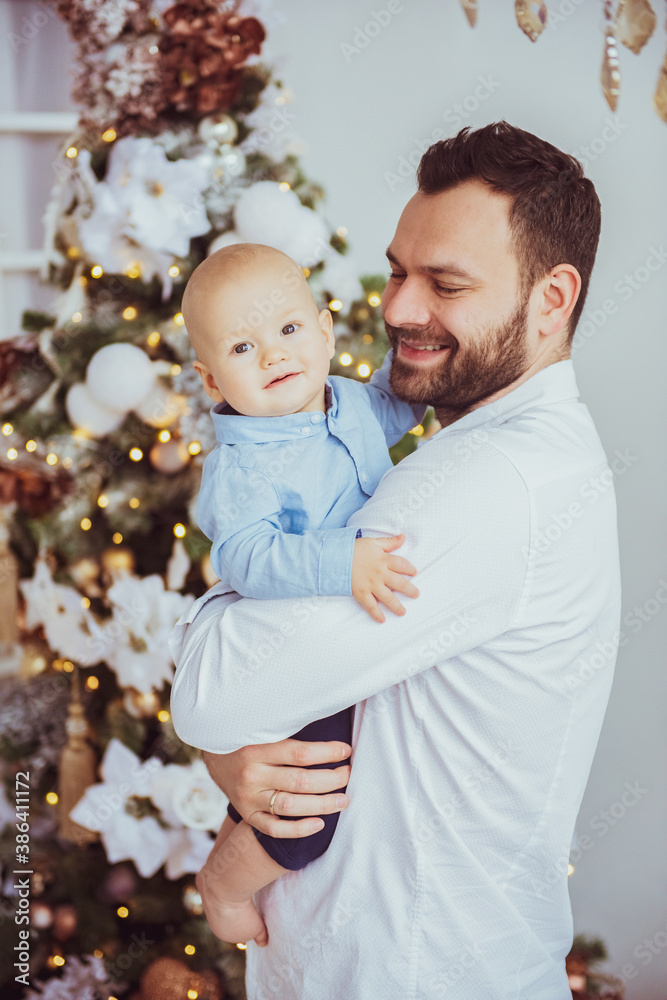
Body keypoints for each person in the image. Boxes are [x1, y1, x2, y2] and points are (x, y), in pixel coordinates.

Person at [169, 122, 622, 1000]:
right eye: (398, 271)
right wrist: (233, 746)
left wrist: (216, 704)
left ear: (550, 298)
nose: (399, 309)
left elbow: (215, 694)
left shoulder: (488, 479)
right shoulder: (484, 449)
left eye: (445, 284)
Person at [179, 243, 426, 946]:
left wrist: (420, 343)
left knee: (292, 784)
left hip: (344, 647)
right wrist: (340, 560)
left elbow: (399, 402)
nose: (272, 356)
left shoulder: (351, 403)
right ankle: (223, 884)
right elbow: (248, 558)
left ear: (323, 330)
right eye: (242, 346)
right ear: (210, 378)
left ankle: (236, 852)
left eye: (288, 330)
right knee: (309, 809)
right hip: (287, 657)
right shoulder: (239, 464)